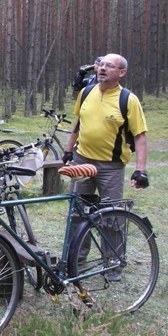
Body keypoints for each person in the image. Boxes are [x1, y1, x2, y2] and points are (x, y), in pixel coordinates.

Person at [63, 54, 149, 280]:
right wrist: (68, 150)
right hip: (82, 161)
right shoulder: (86, 92)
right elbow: (78, 124)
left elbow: (139, 136)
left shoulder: (128, 99)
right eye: (101, 65)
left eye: (109, 66)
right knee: (78, 212)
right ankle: (77, 256)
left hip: (111, 167)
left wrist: (141, 170)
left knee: (111, 216)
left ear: (121, 73)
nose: (102, 69)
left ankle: (112, 262)